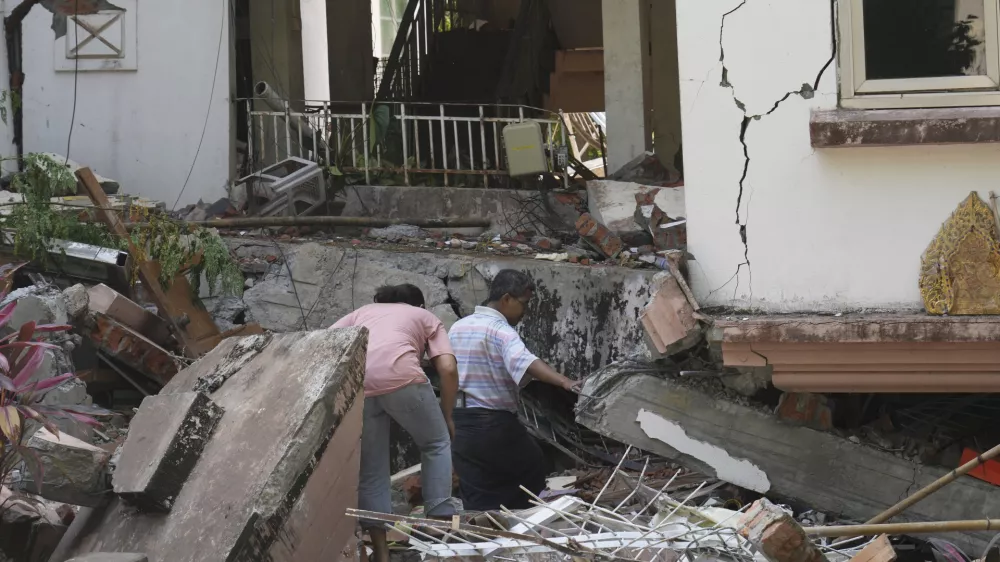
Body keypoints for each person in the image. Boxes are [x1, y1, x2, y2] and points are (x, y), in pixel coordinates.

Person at [331, 283, 462, 562]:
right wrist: (447, 415)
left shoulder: (362, 312)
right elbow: (448, 368)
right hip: (404, 379)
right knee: (436, 443)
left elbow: (326, 341)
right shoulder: (424, 316)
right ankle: (438, 538)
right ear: (419, 304)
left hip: (359, 387)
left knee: (373, 470)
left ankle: (381, 552)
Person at [447, 269, 581, 511]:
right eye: (524, 304)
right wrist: (564, 381)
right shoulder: (501, 331)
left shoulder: (458, 327)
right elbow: (525, 361)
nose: (525, 312)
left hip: (461, 420)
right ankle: (522, 526)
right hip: (492, 420)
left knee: (477, 485)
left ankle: (479, 537)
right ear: (506, 299)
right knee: (531, 467)